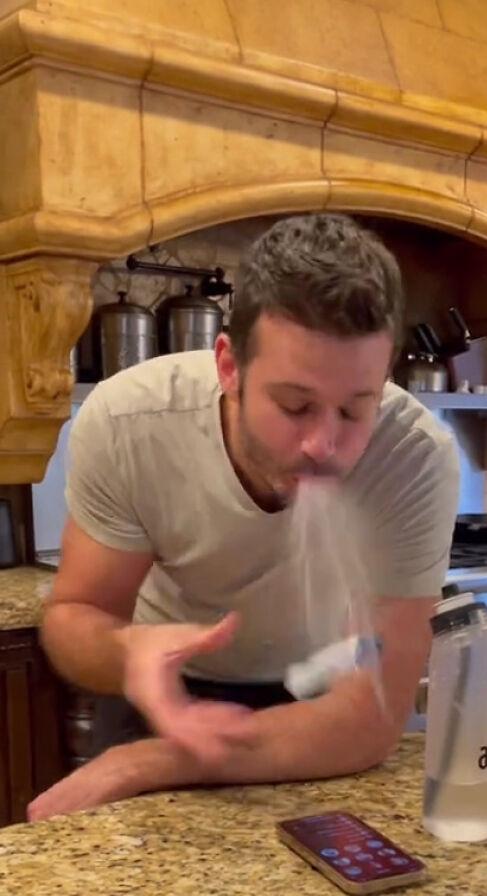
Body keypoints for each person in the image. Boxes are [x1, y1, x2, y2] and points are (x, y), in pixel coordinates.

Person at [30, 213, 460, 821]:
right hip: (163, 702)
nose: (323, 445)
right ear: (229, 366)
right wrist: (128, 653)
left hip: (316, 712)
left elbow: (369, 716)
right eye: (295, 405)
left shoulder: (414, 457)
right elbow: (74, 616)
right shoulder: (130, 423)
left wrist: (147, 764)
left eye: (354, 410)